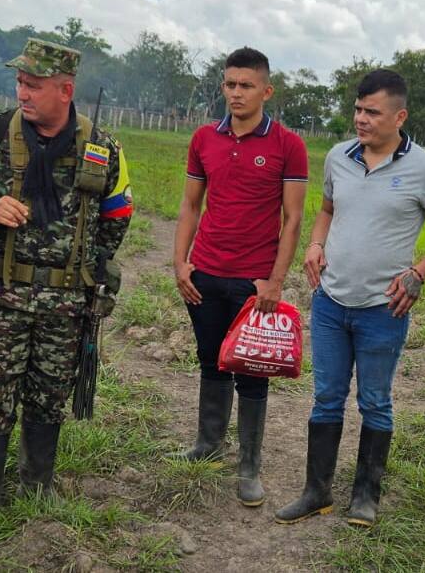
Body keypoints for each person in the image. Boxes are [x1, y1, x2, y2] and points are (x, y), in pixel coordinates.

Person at [0, 38, 132, 517]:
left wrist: (92, 266)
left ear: (65, 90)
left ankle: (37, 483)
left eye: (33, 85)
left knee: (49, 393)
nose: (22, 93)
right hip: (2, 295)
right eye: (20, 83)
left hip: (66, 303)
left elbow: (119, 207)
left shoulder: (101, 146)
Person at [275, 70, 425, 527]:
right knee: (326, 398)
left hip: (384, 308)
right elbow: (326, 210)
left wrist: (418, 274)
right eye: (358, 109)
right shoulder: (339, 157)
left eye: (372, 112)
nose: (361, 119)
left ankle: (366, 494)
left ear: (399, 116)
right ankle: (316, 491)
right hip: (330, 302)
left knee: (375, 401)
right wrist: (316, 245)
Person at [173, 47, 307, 507]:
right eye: (229, 84)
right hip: (204, 274)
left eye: (246, 85)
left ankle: (249, 466)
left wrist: (274, 281)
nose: (236, 92)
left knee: (252, 370)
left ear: (266, 91)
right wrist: (180, 262)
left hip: (254, 284)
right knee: (210, 362)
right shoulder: (204, 137)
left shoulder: (288, 145)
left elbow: (292, 221)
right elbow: (191, 205)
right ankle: (208, 444)